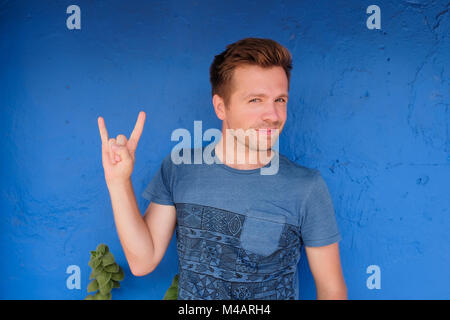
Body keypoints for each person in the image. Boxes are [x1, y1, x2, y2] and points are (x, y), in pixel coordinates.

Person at [97, 37, 347, 300]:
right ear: (220, 107)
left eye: (280, 99)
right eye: (255, 100)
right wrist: (118, 182)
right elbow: (142, 262)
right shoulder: (180, 168)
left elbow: (332, 290)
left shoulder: (306, 187)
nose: (273, 115)